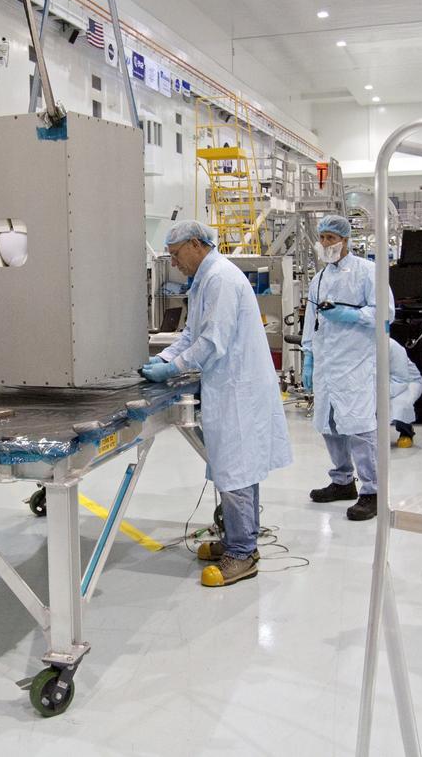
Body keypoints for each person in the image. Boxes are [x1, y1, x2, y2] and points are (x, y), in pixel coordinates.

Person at [141, 220, 292, 588]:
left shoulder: (220, 278)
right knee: (237, 468)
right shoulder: (204, 279)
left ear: (196, 244)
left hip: (238, 391)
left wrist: (174, 368)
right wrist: (164, 358)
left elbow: (212, 342)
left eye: (176, 254)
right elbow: (191, 335)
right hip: (229, 388)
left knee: (236, 471)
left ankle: (242, 554)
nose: (174, 263)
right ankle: (239, 539)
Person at [302, 214, 393, 521]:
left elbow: (385, 312)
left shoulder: (367, 271)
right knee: (329, 424)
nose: (325, 243)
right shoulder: (319, 279)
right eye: (322, 237)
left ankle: (373, 491)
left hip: (356, 361)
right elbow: (311, 321)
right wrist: (308, 356)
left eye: (331, 237)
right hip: (326, 363)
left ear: (345, 239)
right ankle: (342, 481)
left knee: (359, 425)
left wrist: (350, 315)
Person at [389, 338, 422, 449]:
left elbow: (401, 379)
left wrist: (378, 394)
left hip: (408, 383)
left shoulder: (392, 346)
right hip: (380, 384)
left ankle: (406, 431)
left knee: (400, 404)